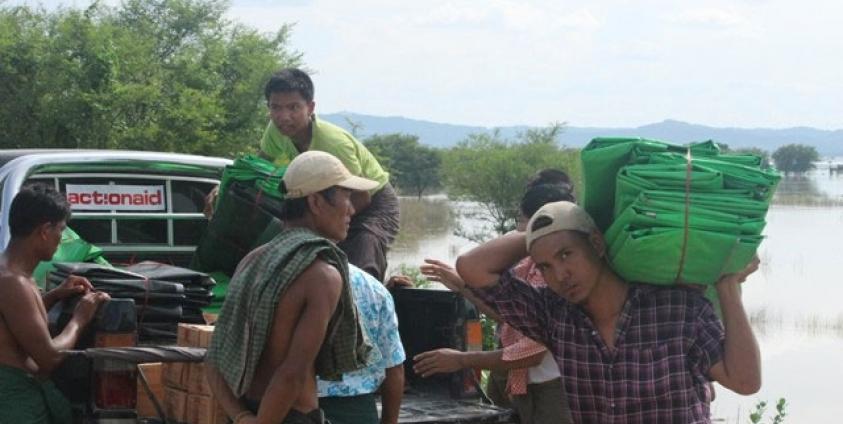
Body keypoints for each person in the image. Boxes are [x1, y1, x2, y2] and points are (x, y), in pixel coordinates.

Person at [455, 201, 762, 424]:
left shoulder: (676, 309)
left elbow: (745, 382)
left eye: (566, 254)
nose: (560, 274)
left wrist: (728, 288)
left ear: (597, 243)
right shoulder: (555, 316)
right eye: (545, 266)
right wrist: (539, 235)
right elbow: (472, 267)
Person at [205, 151, 376, 424]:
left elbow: (214, 359)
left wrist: (240, 416)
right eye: (346, 197)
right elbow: (292, 374)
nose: (352, 210)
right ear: (317, 202)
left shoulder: (253, 260)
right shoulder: (323, 276)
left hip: (248, 410)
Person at [207, 68, 399, 282]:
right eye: (275, 107)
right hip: (327, 200)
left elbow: (361, 197)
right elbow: (256, 167)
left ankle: (367, 298)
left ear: (310, 107)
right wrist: (223, 187)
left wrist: (324, 229)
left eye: (293, 107)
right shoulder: (276, 131)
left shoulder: (333, 143)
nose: (284, 116)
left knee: (362, 247)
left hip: (372, 200)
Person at [413, 182, 576, 424]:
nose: (518, 231)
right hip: (523, 384)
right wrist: (464, 287)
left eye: (523, 223)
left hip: (552, 389)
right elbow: (510, 318)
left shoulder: (557, 276)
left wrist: (461, 359)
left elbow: (529, 353)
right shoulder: (529, 267)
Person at [0, 184, 110, 423]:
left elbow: (15, 323)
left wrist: (55, 296)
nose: (62, 238)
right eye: (61, 229)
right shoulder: (12, 282)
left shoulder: (13, 274)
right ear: (44, 231)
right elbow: (49, 357)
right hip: (14, 407)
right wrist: (80, 318)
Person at [317, 264, 405, 424]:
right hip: (361, 411)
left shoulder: (282, 277)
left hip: (295, 407)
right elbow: (394, 367)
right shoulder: (372, 287)